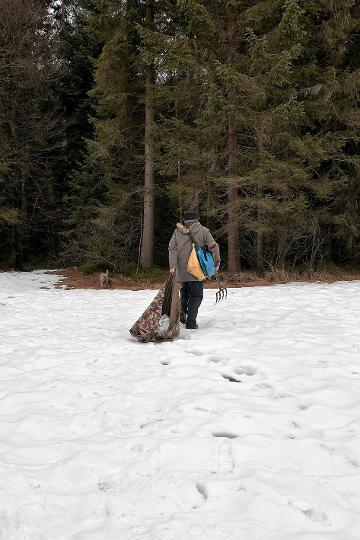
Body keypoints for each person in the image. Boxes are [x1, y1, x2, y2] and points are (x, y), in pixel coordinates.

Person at [168, 210, 220, 329]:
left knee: (185, 292)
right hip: (197, 270)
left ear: (184, 220)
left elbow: (172, 248)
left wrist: (172, 266)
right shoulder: (204, 230)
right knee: (196, 296)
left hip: (182, 270)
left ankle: (183, 313)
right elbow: (213, 246)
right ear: (196, 219)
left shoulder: (177, 231)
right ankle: (191, 322)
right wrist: (216, 263)